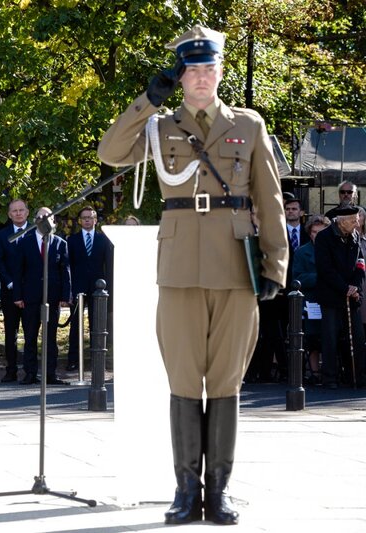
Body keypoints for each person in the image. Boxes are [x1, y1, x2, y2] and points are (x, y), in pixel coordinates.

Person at [96, 25, 288, 525]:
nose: (202, 77)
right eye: (192, 69)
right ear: (180, 76)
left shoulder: (249, 125)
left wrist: (276, 263)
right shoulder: (158, 128)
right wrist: (145, 101)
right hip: (179, 270)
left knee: (225, 383)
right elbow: (110, 152)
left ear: (220, 71)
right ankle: (185, 493)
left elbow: (269, 201)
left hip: (234, 267)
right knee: (184, 381)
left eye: (209, 68)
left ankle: (219, 493)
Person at [13, 207, 71, 386]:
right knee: (30, 336)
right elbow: (18, 271)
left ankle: (50, 374)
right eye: (40, 217)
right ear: (34, 220)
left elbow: (65, 271)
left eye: (47, 217)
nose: (43, 220)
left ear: (53, 221)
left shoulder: (60, 243)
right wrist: (18, 295)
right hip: (30, 297)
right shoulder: (24, 242)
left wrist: (65, 296)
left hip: (52, 298)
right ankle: (30, 373)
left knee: (50, 338)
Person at [315, 206, 366, 389]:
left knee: (357, 337)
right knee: (330, 337)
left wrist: (355, 287)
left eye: (357, 220)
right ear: (340, 221)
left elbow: (361, 264)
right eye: (353, 220)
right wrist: (345, 287)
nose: (357, 224)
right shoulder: (324, 238)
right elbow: (325, 269)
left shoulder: (355, 236)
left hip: (352, 296)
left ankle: (357, 376)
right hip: (331, 296)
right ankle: (330, 378)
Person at [66, 206, 113, 371]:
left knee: (97, 325)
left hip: (98, 289)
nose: (87, 220)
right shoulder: (71, 240)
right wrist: (68, 291)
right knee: (75, 325)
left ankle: (97, 360)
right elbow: (68, 267)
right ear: (80, 220)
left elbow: (108, 265)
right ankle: (73, 360)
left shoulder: (104, 240)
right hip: (77, 289)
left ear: (95, 220)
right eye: (84, 217)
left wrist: (109, 290)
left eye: (90, 217)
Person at [0, 199, 29, 383]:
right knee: (10, 332)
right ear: (9, 214)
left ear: (27, 212)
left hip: (31, 291)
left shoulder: (35, 232)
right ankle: (11, 369)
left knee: (31, 332)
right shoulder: (2, 235)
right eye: (14, 211)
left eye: (21, 210)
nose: (18, 213)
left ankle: (31, 371)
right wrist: (9, 283)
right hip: (10, 291)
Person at [293, 214, 330, 385]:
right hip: (312, 300)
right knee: (314, 337)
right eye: (314, 232)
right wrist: (320, 277)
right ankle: (314, 372)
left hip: (331, 300)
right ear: (310, 233)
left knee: (332, 336)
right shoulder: (302, 252)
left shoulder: (333, 250)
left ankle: (331, 371)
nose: (317, 235)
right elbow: (297, 278)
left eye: (321, 232)